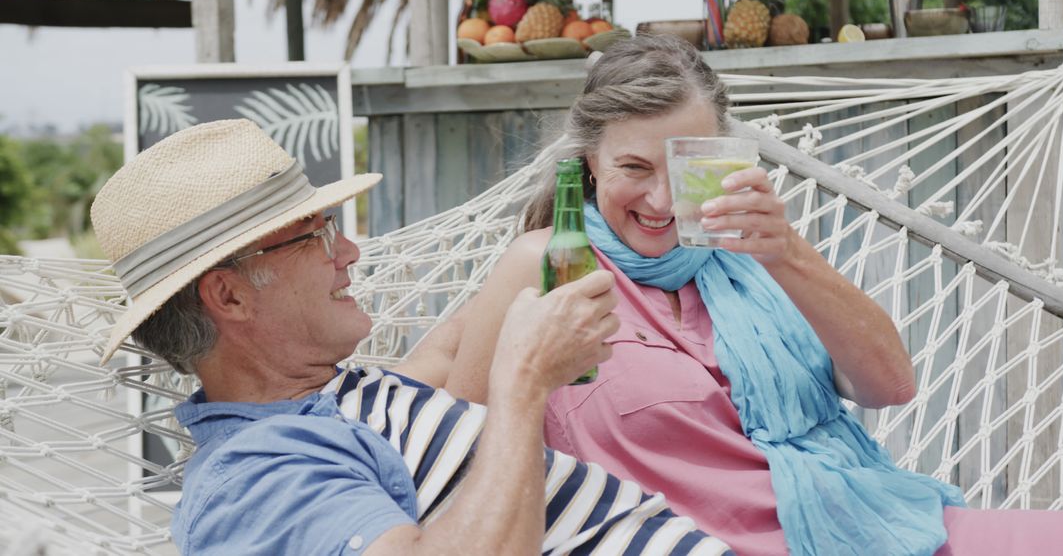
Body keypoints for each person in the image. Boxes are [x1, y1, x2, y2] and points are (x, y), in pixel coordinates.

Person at [443, 34, 1063, 556]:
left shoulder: (746, 254)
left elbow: (890, 385)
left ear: (720, 157)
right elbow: (455, 449)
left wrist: (788, 252)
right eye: (634, 168)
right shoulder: (549, 265)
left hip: (863, 523)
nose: (662, 201)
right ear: (589, 161)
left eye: (686, 167)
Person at [89, 119, 734, 555]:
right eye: (316, 235)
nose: (349, 251)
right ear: (229, 296)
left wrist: (617, 192)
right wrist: (523, 384)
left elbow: (456, 342)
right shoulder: (256, 475)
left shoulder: (341, 400)